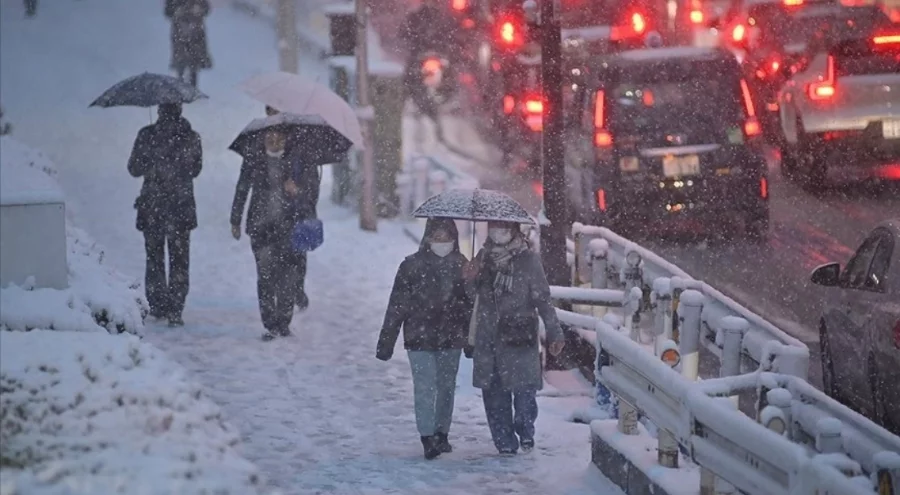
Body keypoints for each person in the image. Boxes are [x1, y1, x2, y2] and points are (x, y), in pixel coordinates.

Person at [463, 221, 565, 456]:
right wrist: (469, 278)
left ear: (514, 231)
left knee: (524, 394)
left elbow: (543, 300)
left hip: (519, 336)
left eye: (504, 229)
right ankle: (504, 443)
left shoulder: (529, 260)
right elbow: (471, 298)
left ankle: (525, 429)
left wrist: (554, 332)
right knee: (495, 396)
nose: (498, 233)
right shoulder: (483, 257)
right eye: (494, 228)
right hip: (489, 337)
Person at [376, 219, 473, 460]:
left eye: (446, 238)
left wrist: (472, 338)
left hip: (451, 338)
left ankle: (442, 432)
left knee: (446, 388)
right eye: (437, 238)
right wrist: (386, 343)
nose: (442, 243)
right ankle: (427, 436)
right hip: (419, 337)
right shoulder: (411, 266)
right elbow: (396, 306)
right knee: (425, 388)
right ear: (428, 238)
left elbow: (473, 306)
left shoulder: (462, 265)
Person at [230, 127, 318, 340]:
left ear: (286, 138)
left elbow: (312, 192)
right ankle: (270, 323)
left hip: (289, 226)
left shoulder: (298, 161)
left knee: (288, 277)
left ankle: (284, 321)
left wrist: (297, 190)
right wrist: (235, 219)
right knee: (266, 276)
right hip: (261, 228)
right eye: (269, 136)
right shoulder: (254, 158)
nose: (273, 141)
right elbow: (242, 187)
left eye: (278, 137)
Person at [127, 103, 202, 327]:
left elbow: (133, 169)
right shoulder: (191, 137)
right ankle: (176, 307)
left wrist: (151, 160)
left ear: (159, 111)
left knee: (154, 258)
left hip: (153, 206)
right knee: (179, 260)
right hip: (180, 207)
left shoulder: (147, 135)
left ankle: (158, 303)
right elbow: (196, 169)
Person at [262, 105, 318, 311]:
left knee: (297, 254)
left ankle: (296, 289)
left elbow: (311, 183)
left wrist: (299, 190)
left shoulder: (301, 145)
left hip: (298, 210)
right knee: (285, 256)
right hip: (280, 214)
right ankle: (289, 290)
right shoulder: (266, 138)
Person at [396, 0, 462, 139]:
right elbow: (454, 36)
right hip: (429, 55)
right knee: (412, 76)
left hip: (429, 55)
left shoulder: (419, 17)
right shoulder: (443, 17)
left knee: (411, 77)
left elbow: (403, 34)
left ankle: (407, 99)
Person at [165, 0, 212, 88]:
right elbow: (168, 11)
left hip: (196, 34)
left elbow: (206, 9)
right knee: (181, 62)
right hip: (179, 33)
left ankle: (192, 88)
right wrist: (176, 11)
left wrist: (199, 9)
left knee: (194, 62)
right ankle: (181, 87)